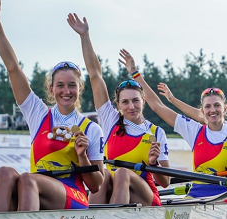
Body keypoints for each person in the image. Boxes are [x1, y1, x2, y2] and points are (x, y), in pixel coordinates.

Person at [0, 0, 103, 211]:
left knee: (28, 178)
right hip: (36, 189)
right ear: (51, 89)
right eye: (61, 86)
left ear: (80, 88)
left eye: (72, 85)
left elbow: (96, 185)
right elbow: (12, 67)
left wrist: (82, 156)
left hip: (73, 195)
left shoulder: (91, 129)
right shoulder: (38, 113)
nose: (66, 91)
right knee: (4, 173)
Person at [120, 51, 227, 201]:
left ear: (225, 109)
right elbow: (157, 106)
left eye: (217, 105)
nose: (213, 110)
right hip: (195, 196)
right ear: (202, 111)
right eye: (208, 107)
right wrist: (135, 73)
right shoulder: (194, 130)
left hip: (225, 197)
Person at [67, 13, 170, 206]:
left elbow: (165, 183)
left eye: (135, 101)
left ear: (143, 101)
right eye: (125, 102)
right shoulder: (111, 120)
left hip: (146, 195)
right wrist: (84, 36)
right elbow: (95, 75)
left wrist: (153, 163)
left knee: (121, 172)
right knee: (103, 174)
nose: (131, 106)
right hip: (114, 189)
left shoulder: (156, 133)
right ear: (118, 105)